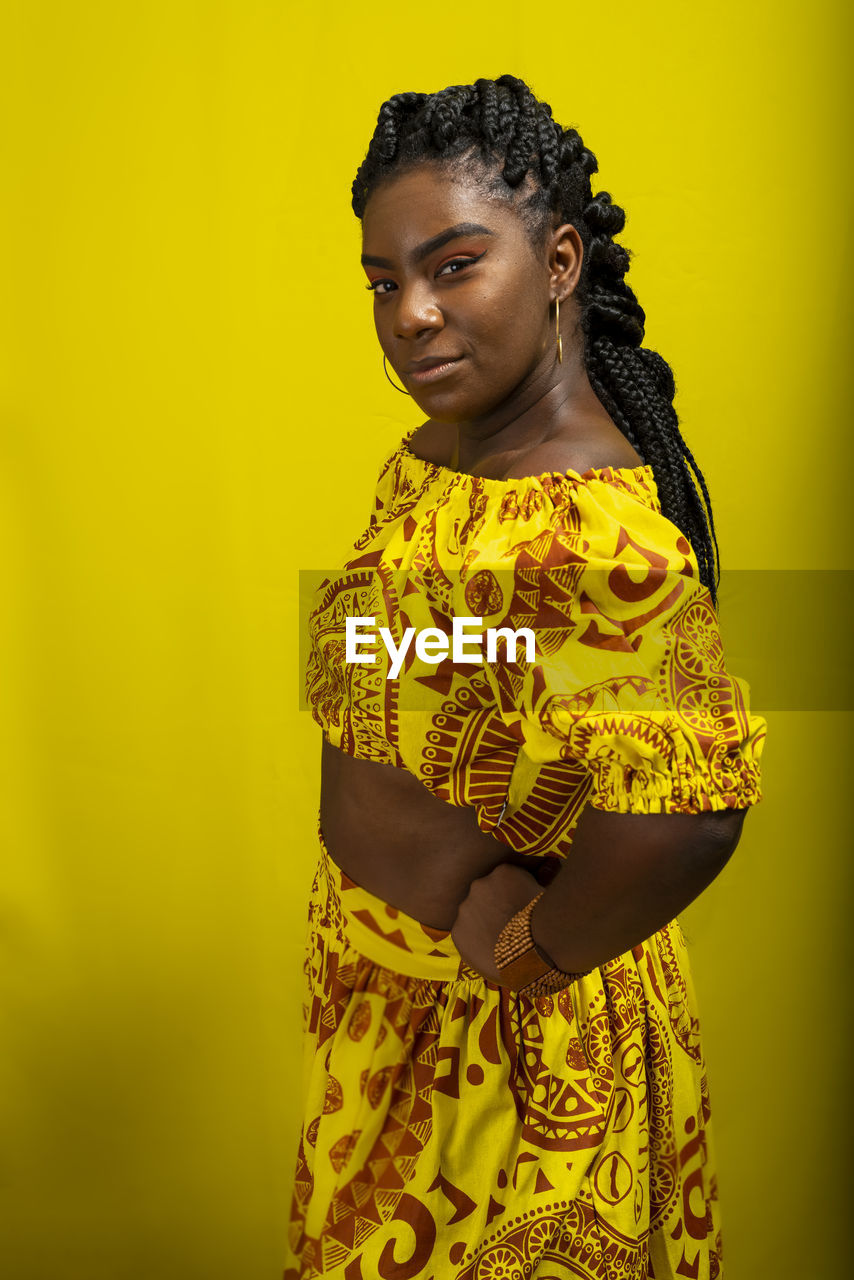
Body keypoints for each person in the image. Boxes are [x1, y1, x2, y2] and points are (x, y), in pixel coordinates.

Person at [284, 74, 766, 1280]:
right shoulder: (453, 454)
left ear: (557, 262)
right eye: (384, 282)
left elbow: (695, 808)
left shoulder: (588, 524)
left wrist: (535, 948)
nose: (410, 314)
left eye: (453, 265)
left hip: (504, 1050)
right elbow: (447, 660)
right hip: (387, 1012)